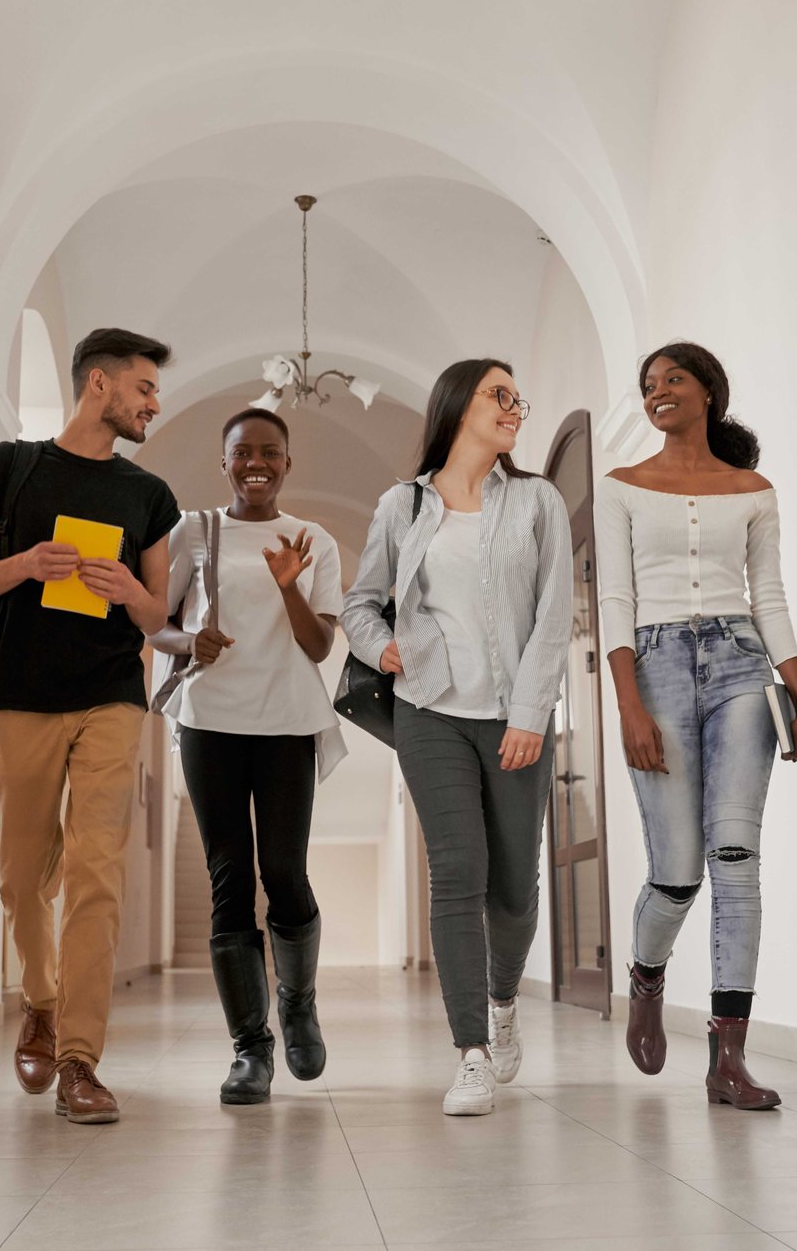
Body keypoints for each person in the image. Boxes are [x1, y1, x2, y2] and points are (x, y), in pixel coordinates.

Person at [0, 327, 180, 1124]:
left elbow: (161, 619)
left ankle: (80, 1060)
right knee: (21, 878)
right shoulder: (8, 468)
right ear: (99, 386)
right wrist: (26, 564)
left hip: (111, 694)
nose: (153, 403)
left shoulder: (148, 497)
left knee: (96, 871)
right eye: (145, 388)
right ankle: (38, 1003)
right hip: (17, 694)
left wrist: (128, 591)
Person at [343, 359, 572, 1116]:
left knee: (514, 890)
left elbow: (552, 613)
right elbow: (359, 605)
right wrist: (383, 649)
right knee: (456, 872)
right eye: (499, 395)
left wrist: (533, 715)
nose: (514, 407)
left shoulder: (538, 501)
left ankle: (504, 1003)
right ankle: (470, 1051)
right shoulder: (400, 506)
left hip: (513, 714)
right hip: (429, 709)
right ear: (457, 406)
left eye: (518, 396)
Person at [596, 340, 797, 1110]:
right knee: (679, 871)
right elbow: (614, 602)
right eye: (648, 383)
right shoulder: (621, 487)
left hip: (739, 671)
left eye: (673, 378)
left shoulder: (753, 490)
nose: (658, 391)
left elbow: (771, 597)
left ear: (709, 392)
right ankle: (647, 977)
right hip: (653, 669)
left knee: (736, 859)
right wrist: (628, 704)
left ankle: (729, 1058)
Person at [152, 408, 347, 1105]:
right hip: (211, 722)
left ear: (287, 464)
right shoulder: (195, 532)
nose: (256, 462)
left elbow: (321, 647)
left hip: (289, 721)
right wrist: (187, 644)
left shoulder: (313, 538)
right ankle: (250, 1051)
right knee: (230, 880)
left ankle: (297, 1002)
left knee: (285, 874)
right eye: (243, 452)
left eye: (270, 452)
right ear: (224, 462)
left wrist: (288, 583)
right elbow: (159, 623)